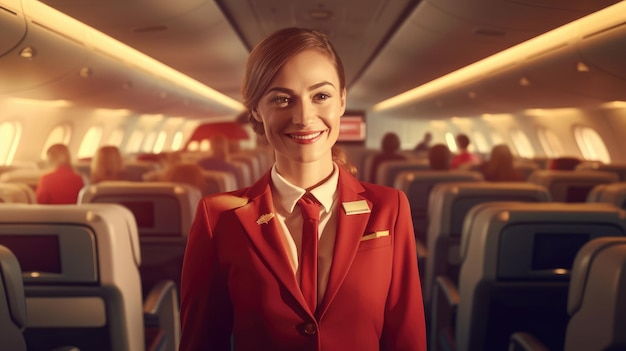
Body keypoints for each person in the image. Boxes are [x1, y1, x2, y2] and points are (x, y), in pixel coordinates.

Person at [179, 27, 426, 351]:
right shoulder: (219, 217)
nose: (304, 116)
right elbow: (201, 343)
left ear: (341, 101)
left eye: (320, 96)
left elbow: (407, 337)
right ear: (256, 109)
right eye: (282, 99)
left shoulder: (389, 208)